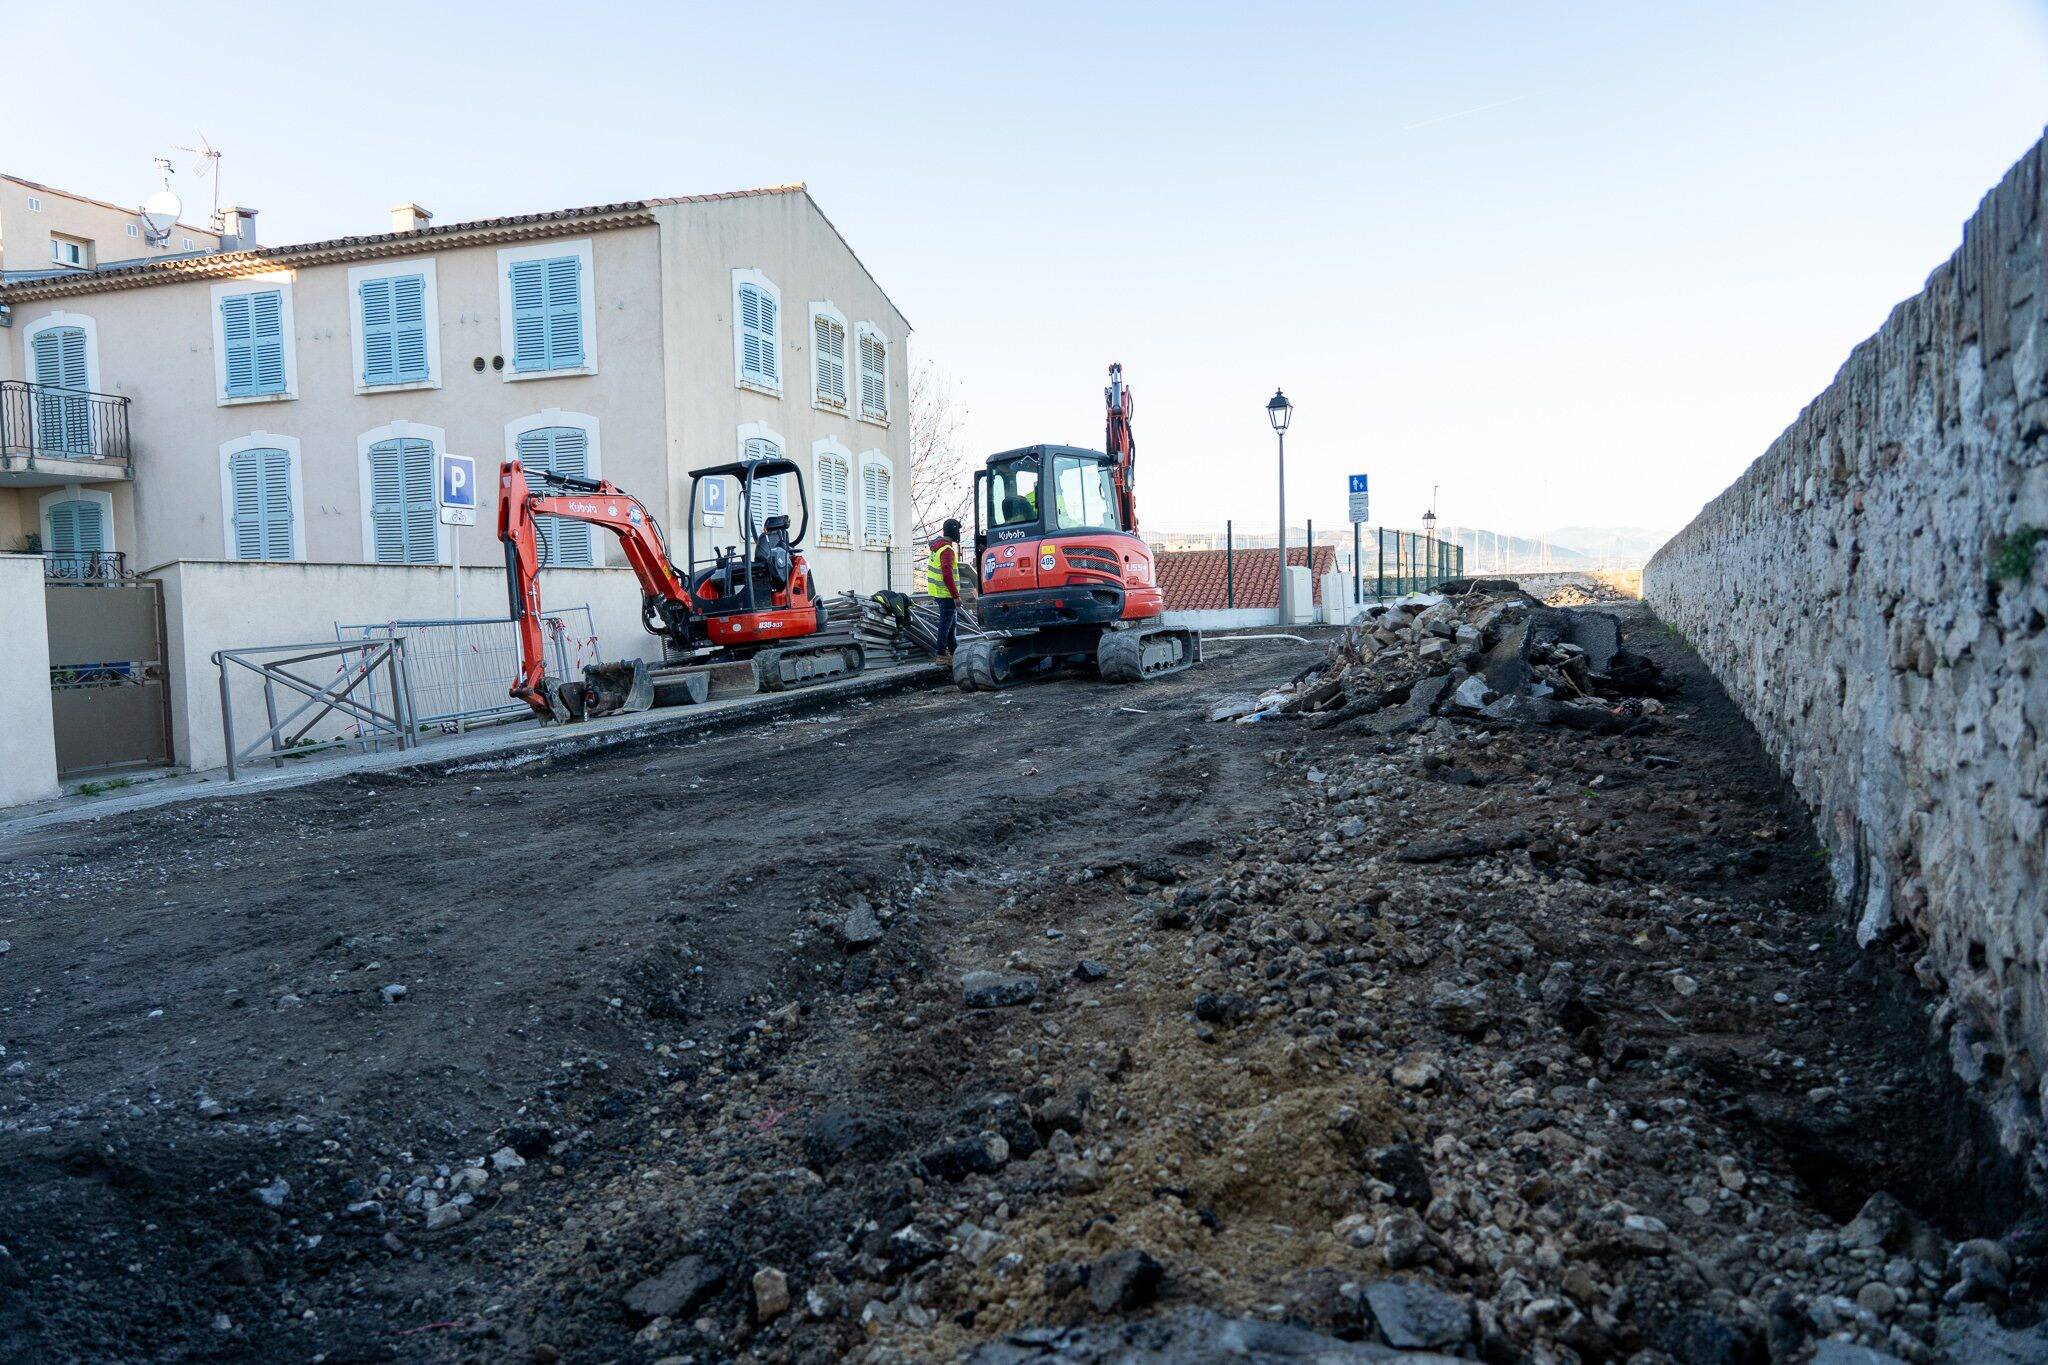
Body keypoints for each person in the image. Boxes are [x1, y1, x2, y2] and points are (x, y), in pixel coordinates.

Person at [926, 518, 963, 665]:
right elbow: (947, 575)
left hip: (938, 592)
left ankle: (953, 652)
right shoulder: (947, 550)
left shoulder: (937, 547)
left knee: (951, 624)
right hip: (946, 594)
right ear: (954, 531)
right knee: (946, 624)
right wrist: (956, 596)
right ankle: (941, 654)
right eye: (958, 530)